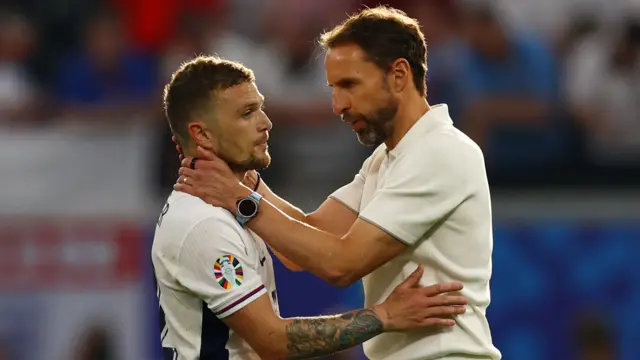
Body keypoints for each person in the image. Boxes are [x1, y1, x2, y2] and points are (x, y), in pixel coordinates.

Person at [175, 6, 501, 360]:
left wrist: (239, 199)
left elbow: (340, 264)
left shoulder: (439, 152)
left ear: (398, 75)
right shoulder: (387, 159)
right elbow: (309, 236)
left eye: (349, 85)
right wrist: (248, 184)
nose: (336, 105)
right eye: (332, 88)